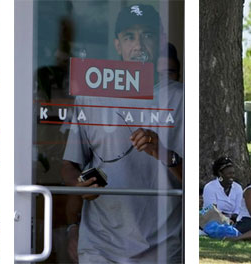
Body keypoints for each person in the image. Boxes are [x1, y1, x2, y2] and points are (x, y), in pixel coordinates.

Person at [60, 4, 184, 262]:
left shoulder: (182, 98)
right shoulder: (91, 93)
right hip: (100, 245)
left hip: (162, 246)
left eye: (147, 35)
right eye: (129, 36)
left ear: (160, 40)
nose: (138, 45)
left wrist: (162, 152)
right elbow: (70, 164)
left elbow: (196, 182)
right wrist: (79, 187)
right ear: (118, 44)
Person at [202, 157, 244, 222]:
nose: (232, 176)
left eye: (233, 173)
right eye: (229, 173)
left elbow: (239, 208)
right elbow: (212, 211)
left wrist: (233, 219)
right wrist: (226, 221)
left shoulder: (237, 188)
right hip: (214, 222)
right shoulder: (210, 188)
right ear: (220, 174)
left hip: (234, 221)